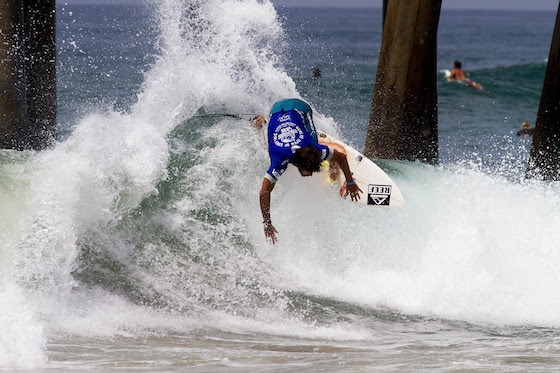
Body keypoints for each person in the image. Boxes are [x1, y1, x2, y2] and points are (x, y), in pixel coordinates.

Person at [258, 98, 362, 244]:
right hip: (280, 109)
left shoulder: (315, 149)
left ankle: (332, 163)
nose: (312, 174)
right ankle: (262, 120)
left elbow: (341, 156)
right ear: (296, 163)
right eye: (309, 171)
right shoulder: (279, 159)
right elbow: (264, 192)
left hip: (294, 108)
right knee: (282, 143)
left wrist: (350, 181)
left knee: (314, 141)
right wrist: (267, 223)